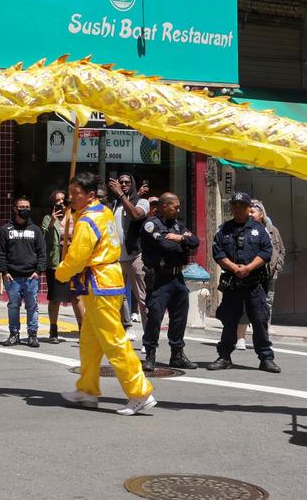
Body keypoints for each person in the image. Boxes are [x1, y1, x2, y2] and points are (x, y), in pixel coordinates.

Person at [56, 171, 156, 416]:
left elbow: (78, 256)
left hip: (100, 281)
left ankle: (139, 391)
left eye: (76, 194)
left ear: (90, 195)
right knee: (90, 340)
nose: (72, 198)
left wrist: (61, 272)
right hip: (102, 280)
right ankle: (88, 389)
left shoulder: (89, 219)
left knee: (113, 341)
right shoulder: (103, 211)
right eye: (70, 194)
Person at [208, 192, 280, 373]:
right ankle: (224, 356)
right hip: (233, 285)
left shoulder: (259, 228)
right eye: (235, 205)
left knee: (260, 321)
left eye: (242, 205)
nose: (238, 209)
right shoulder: (224, 229)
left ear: (249, 208)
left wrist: (248, 268)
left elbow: (266, 251)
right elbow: (218, 253)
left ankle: (266, 358)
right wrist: (234, 268)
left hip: (254, 284)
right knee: (229, 321)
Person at [139, 193, 199, 371]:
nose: (178, 210)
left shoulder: (177, 226)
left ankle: (177, 355)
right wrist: (183, 240)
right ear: (164, 206)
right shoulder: (151, 225)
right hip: (159, 278)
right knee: (155, 317)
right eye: (175, 207)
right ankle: (150, 354)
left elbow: (195, 242)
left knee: (179, 317)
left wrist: (179, 238)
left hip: (178, 277)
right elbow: (166, 246)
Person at [0, 194, 46, 347]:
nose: (24, 210)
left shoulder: (35, 230)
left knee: (32, 307)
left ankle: (32, 335)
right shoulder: (5, 230)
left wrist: (38, 271)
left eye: (27, 208)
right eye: (21, 207)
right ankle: (14, 334)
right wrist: (4, 272)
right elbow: (0, 253)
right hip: (12, 277)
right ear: (14, 209)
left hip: (31, 276)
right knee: (13, 306)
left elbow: (41, 252)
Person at [237, 198, 285, 349]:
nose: (250, 214)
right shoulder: (244, 229)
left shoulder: (272, 230)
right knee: (246, 305)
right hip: (250, 275)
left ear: (262, 213)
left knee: (266, 305)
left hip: (269, 275)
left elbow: (281, 250)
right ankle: (241, 338)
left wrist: (277, 266)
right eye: (248, 211)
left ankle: (264, 338)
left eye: (253, 211)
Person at [109, 174, 149, 340]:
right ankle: (127, 327)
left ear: (132, 184)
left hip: (135, 256)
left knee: (143, 298)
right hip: (116, 258)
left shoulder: (142, 202)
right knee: (118, 296)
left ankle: (149, 337)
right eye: (121, 182)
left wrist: (120, 194)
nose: (124, 184)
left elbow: (135, 214)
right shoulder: (115, 205)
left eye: (127, 182)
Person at [40, 189, 76, 342]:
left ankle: (83, 328)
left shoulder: (75, 217)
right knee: (55, 298)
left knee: (77, 296)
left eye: (63, 199)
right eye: (58, 200)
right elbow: (42, 239)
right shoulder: (48, 219)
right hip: (55, 262)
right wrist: (53, 222)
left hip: (73, 261)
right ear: (53, 204)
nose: (61, 202)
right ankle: (53, 329)